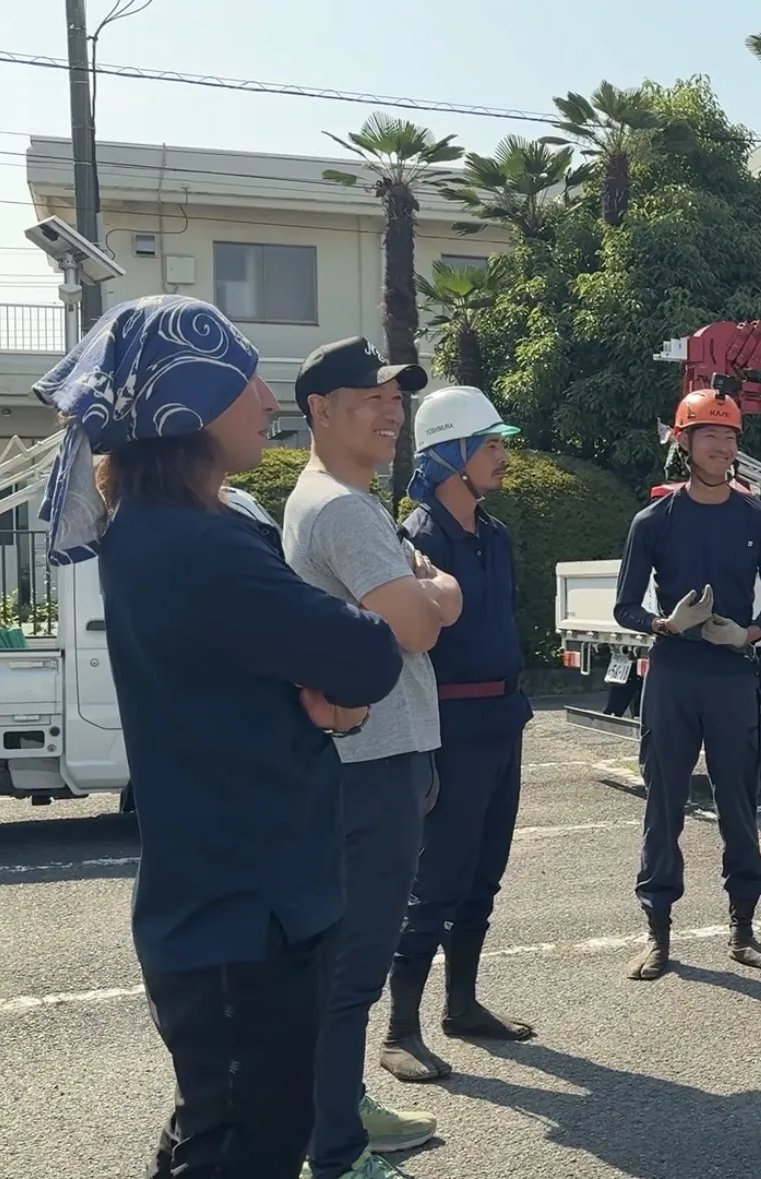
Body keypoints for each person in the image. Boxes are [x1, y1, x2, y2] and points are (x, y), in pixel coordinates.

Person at [33, 296, 403, 1179]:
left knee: (219, 1131)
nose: (269, 400)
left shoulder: (161, 531)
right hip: (249, 920)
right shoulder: (200, 546)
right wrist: (345, 700)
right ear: (189, 400)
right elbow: (369, 653)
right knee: (245, 1149)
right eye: (247, 378)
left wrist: (338, 691)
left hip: (224, 909)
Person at [283, 338, 460, 1179]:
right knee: (352, 967)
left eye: (397, 397)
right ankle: (338, 1151)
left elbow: (421, 599)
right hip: (371, 763)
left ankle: (341, 1106)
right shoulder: (346, 511)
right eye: (371, 394)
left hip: (373, 757)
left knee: (347, 960)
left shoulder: (339, 497)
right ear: (320, 408)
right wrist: (432, 589)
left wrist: (426, 588)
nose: (393, 410)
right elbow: (420, 622)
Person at [380, 386, 537, 1084]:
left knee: (484, 874)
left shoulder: (496, 535)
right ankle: (399, 1028)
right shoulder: (416, 538)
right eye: (491, 446)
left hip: (504, 720)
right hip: (450, 728)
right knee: (435, 880)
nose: (503, 456)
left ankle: (462, 1003)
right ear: (451, 456)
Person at [614, 388, 761, 981]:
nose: (723, 445)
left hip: (732, 677)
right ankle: (657, 932)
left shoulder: (759, 518)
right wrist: (663, 623)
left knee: (739, 803)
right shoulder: (654, 521)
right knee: (663, 804)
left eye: (731, 435)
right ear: (683, 442)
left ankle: (744, 930)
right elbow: (624, 607)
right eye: (710, 435)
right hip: (673, 674)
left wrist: (749, 634)